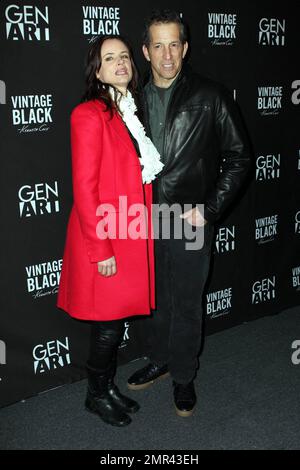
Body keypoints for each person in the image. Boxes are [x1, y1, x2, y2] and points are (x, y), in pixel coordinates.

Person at [127, 10, 252, 417]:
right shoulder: (130, 102)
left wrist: (210, 209)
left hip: (189, 219)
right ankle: (160, 359)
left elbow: (239, 158)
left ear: (186, 48)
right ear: (145, 51)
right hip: (144, 219)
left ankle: (183, 375)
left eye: (174, 44)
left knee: (185, 302)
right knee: (152, 300)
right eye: (158, 45)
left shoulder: (211, 95)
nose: (167, 55)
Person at [57, 34, 163, 427]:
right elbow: (85, 189)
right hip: (104, 237)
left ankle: (106, 387)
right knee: (107, 326)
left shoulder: (126, 112)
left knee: (114, 323)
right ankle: (95, 394)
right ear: (96, 70)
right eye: (109, 58)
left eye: (124, 57)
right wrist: (100, 250)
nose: (120, 63)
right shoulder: (88, 114)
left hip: (128, 232)